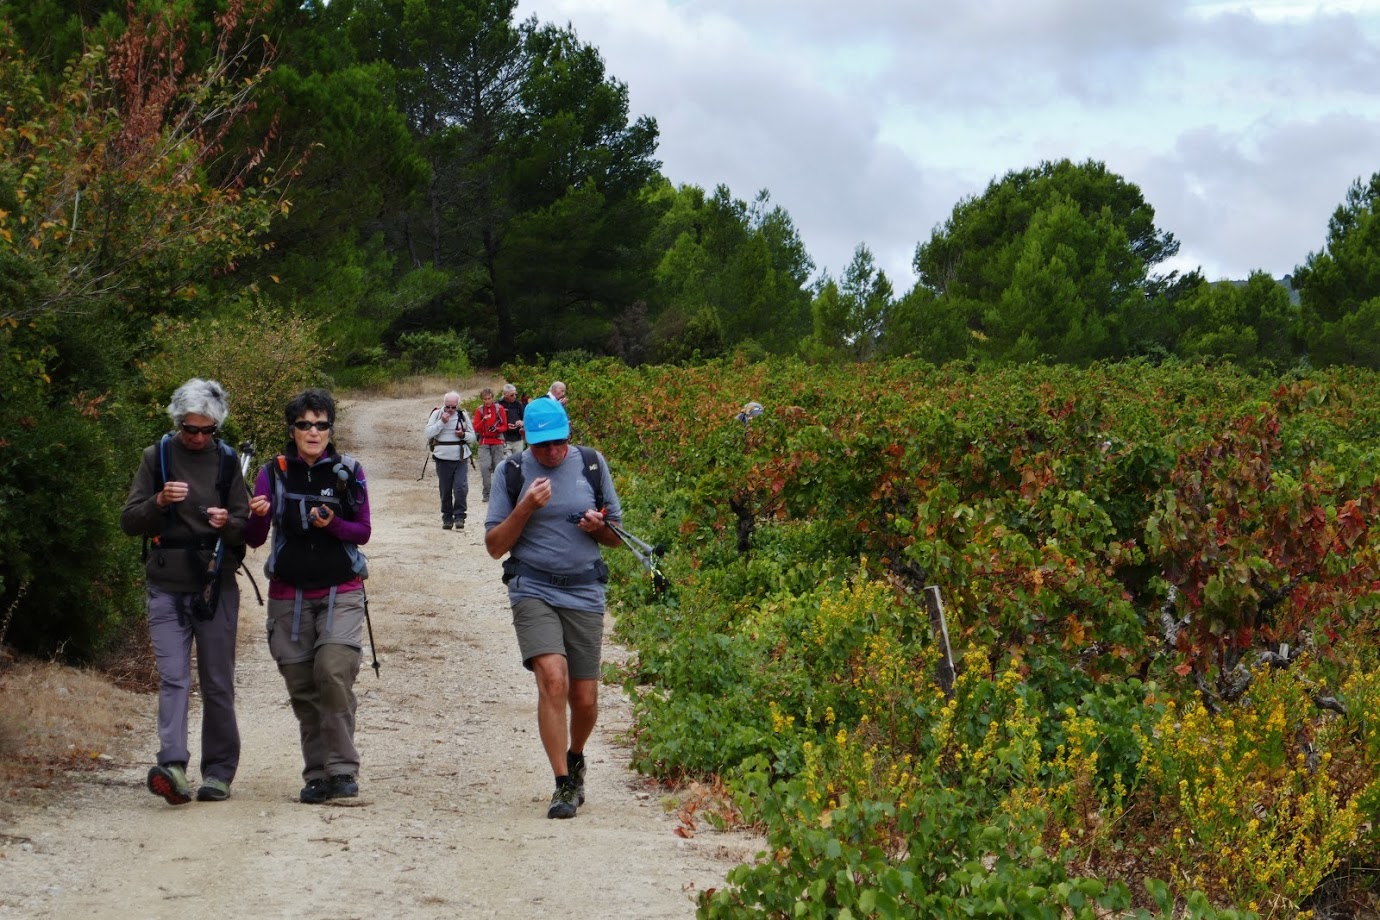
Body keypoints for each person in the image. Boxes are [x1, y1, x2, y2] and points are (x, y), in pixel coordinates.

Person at [484, 398, 622, 819]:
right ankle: (562, 784)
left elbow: (617, 536)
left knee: (584, 698)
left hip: (584, 590)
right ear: (527, 439)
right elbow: (494, 547)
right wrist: (525, 507)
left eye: (559, 443)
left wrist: (600, 528)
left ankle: (576, 755)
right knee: (552, 679)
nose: (551, 453)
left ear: (569, 434)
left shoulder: (592, 465)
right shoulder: (511, 473)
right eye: (542, 446)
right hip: (532, 587)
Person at [120, 378, 249, 805]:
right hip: (166, 585)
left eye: (205, 430)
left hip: (215, 586)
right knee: (173, 678)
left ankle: (218, 772)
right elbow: (129, 521)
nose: (196, 438)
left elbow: (246, 528)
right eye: (189, 429)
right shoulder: (155, 457)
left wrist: (224, 522)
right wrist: (158, 502)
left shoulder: (229, 463)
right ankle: (172, 766)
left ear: (216, 427)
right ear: (177, 423)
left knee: (216, 682)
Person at [245, 388, 373, 804]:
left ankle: (342, 769)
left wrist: (333, 523)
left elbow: (363, 532)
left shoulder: (349, 470)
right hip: (288, 593)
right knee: (302, 687)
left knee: (333, 674)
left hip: (342, 590)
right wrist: (254, 516)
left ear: (330, 429)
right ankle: (316, 772)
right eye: (305, 424)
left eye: (321, 424)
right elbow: (254, 539)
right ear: (293, 429)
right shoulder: (274, 472)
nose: (313, 432)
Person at [424, 391, 476, 530]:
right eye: (448, 407)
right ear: (444, 404)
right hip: (442, 458)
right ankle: (447, 517)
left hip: (460, 457)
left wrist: (463, 434)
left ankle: (459, 516)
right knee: (445, 489)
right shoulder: (436, 415)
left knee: (460, 488)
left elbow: (473, 437)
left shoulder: (462, 415)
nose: (451, 410)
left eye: (454, 407)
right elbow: (428, 433)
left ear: (458, 405)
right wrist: (442, 422)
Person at [472, 386, 508, 502]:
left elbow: (505, 426)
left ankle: (498, 492)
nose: (487, 401)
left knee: (498, 467)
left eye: (489, 398)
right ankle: (486, 492)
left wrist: (496, 429)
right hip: (484, 441)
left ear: (493, 398)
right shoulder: (479, 410)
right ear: (482, 399)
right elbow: (476, 428)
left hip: (497, 440)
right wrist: (483, 421)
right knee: (484, 467)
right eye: (485, 399)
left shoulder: (499, 409)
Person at [499, 383, 525, 458]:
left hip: (517, 438)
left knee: (518, 462)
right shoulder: (498, 405)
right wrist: (506, 426)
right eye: (511, 395)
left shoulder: (518, 404)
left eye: (515, 394)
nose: (514, 397)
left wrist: (521, 422)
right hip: (504, 439)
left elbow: (525, 418)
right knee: (507, 462)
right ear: (504, 394)